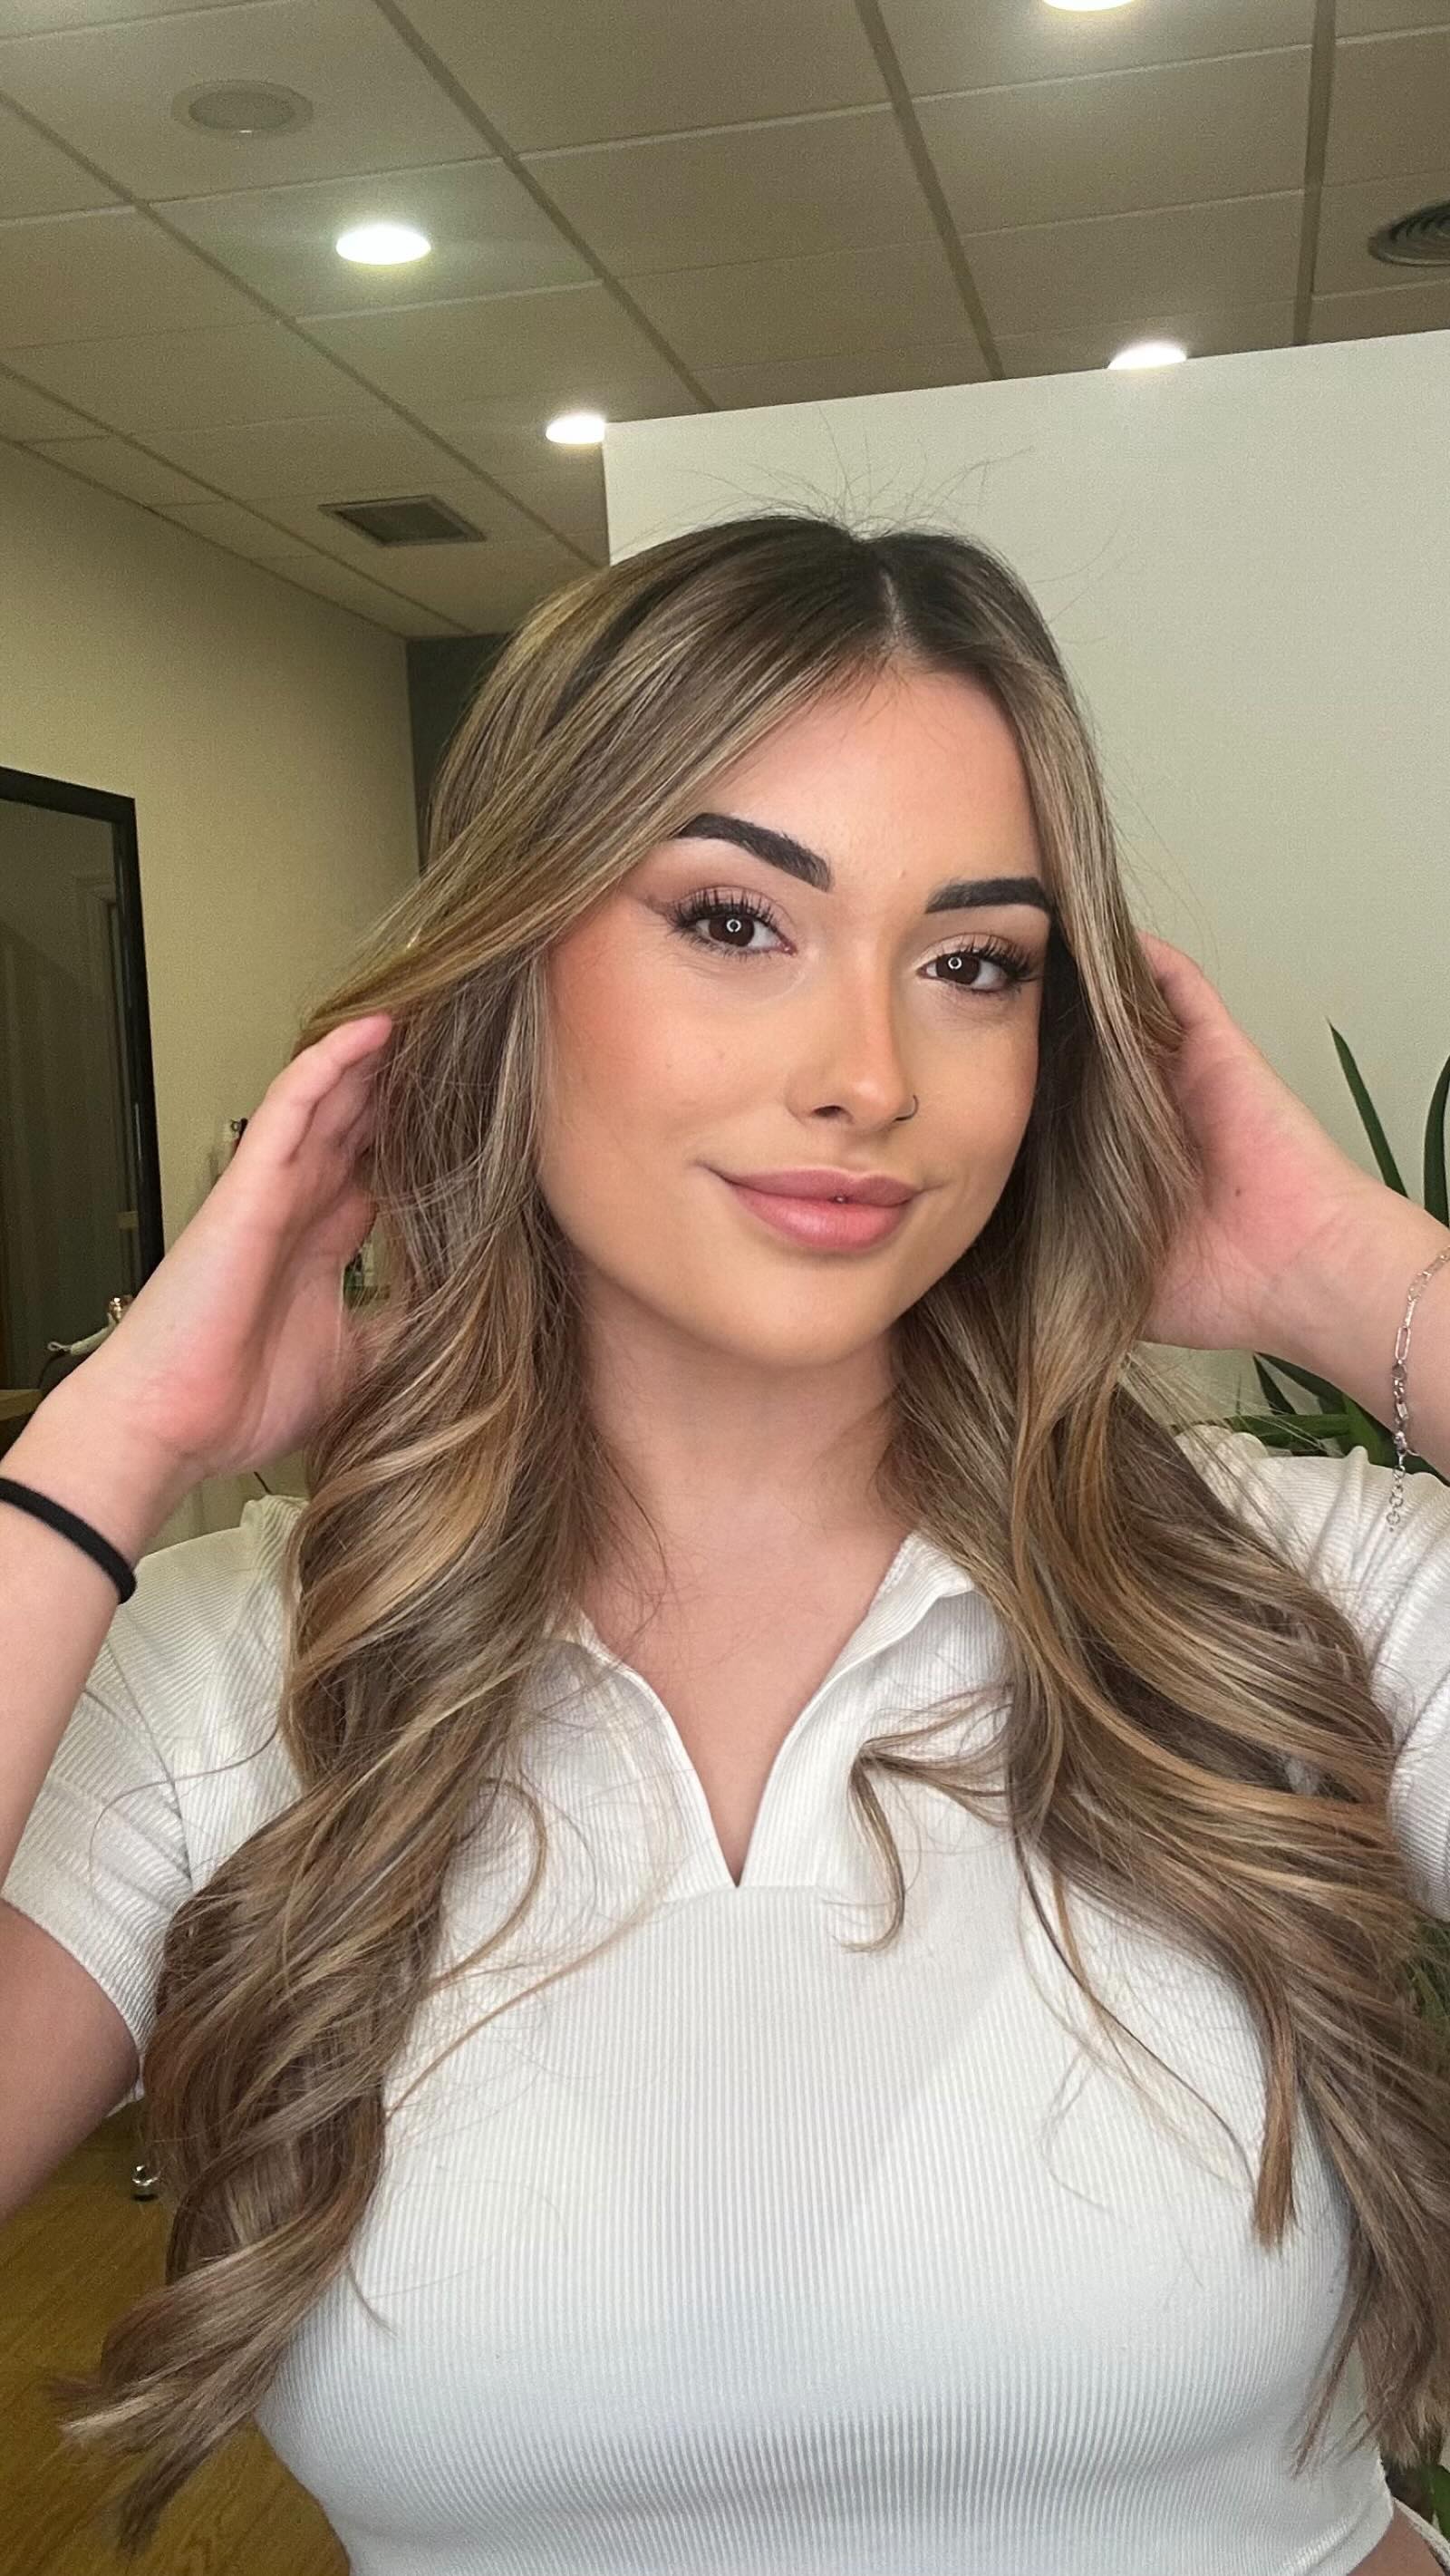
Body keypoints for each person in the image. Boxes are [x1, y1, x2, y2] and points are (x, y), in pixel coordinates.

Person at [2, 508, 1449, 2576]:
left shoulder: (1274, 1593)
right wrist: (111, 1444)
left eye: (971, 964)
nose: (866, 1072)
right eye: (732, 919)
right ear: (508, 971)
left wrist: (1346, 1274)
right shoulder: (243, 1673)